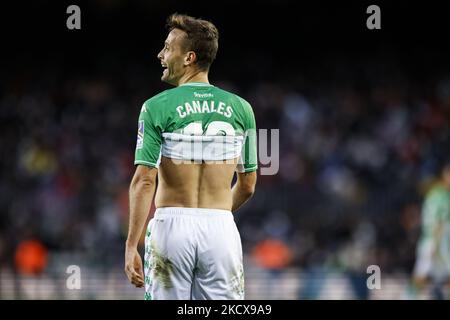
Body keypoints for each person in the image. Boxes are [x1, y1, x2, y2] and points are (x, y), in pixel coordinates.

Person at [124, 13, 258, 300]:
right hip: (221, 229)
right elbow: (248, 185)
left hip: (171, 227)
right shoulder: (242, 108)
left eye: (168, 48)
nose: (160, 55)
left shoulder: (155, 106)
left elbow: (144, 181)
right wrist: (214, 214)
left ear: (189, 58)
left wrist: (131, 244)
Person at [409, 156, 450, 299]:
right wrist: (436, 245)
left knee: (426, 275)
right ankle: (409, 296)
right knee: (421, 274)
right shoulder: (440, 196)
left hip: (438, 241)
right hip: (436, 241)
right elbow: (438, 223)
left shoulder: (438, 194)